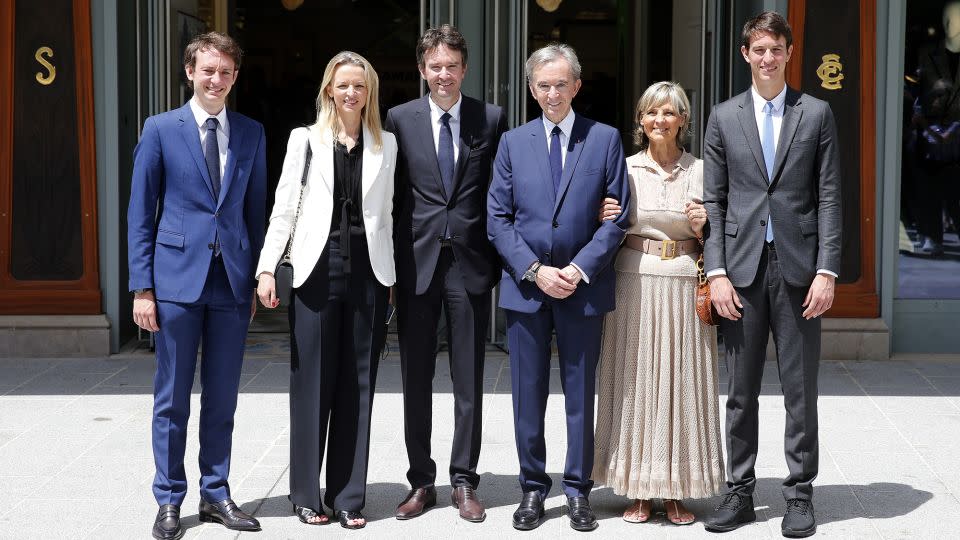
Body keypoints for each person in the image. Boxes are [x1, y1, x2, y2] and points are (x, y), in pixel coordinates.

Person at [702, 11, 841, 538]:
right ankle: (739, 490)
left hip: (800, 269)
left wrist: (827, 269)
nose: (767, 58)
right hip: (738, 270)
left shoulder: (817, 113)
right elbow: (713, 201)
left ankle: (799, 492)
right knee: (740, 389)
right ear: (745, 54)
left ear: (788, 53)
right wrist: (715, 271)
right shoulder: (723, 116)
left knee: (800, 387)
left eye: (775, 50)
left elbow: (829, 197)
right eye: (758, 49)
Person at [127, 32, 266, 540]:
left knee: (223, 396)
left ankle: (216, 492)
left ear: (234, 77)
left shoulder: (251, 132)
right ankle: (169, 499)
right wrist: (142, 287)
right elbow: (140, 212)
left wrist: (253, 280)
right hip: (175, 283)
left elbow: (255, 213)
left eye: (225, 72)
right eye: (208, 70)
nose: (216, 80)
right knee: (172, 397)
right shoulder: (161, 129)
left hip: (230, 284)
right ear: (190, 72)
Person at [487, 43, 630, 532]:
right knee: (528, 395)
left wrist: (579, 268)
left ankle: (577, 489)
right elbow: (498, 219)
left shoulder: (604, 139)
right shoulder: (512, 143)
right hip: (527, 289)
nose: (553, 93)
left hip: (582, 288)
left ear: (577, 86)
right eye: (543, 85)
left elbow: (619, 217)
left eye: (561, 84)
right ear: (532, 89)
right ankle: (532, 488)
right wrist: (534, 269)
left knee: (579, 393)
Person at [255, 51, 397, 530]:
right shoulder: (305, 140)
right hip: (315, 270)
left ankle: (349, 496)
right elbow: (284, 207)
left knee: (359, 385)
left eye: (360, 85)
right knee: (312, 384)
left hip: (369, 274)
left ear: (369, 92)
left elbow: (388, 216)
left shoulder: (386, 145)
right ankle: (305, 493)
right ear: (328, 90)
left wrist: (391, 278)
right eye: (343, 85)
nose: (351, 93)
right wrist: (268, 267)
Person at [385, 24, 507, 523]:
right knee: (415, 377)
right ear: (422, 70)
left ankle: (464, 480)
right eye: (434, 66)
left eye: (451, 66)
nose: (443, 75)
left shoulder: (490, 118)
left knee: (468, 379)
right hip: (416, 264)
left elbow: (502, 192)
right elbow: (390, 197)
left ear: (464, 68)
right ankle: (420, 480)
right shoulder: (398, 119)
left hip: (470, 265)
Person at [592, 81, 725, 527]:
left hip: (686, 282)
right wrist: (601, 215)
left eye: (669, 113)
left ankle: (676, 491)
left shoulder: (702, 170)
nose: (659, 121)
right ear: (640, 121)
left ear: (683, 120)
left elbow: (725, 233)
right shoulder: (624, 170)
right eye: (651, 113)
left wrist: (707, 225)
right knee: (637, 381)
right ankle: (637, 488)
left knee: (681, 382)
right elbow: (604, 226)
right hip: (634, 283)